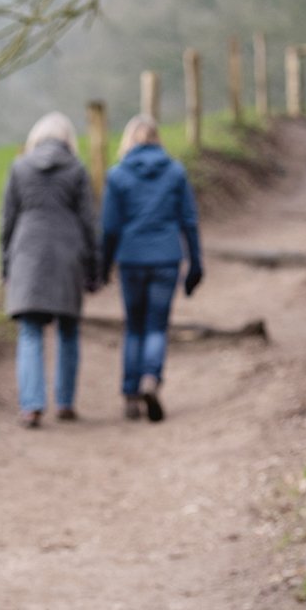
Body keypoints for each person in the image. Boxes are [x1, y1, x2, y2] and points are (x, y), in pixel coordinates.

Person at [100, 115, 203, 423]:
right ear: (158, 138)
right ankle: (151, 379)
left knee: (134, 326)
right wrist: (196, 263)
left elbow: (109, 228)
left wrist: (104, 266)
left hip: (131, 259)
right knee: (157, 325)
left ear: (129, 140)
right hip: (166, 258)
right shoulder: (175, 172)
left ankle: (131, 396)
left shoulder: (117, 175)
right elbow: (189, 221)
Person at [0, 112, 99, 428]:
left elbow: (7, 221)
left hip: (27, 254)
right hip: (67, 254)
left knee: (30, 332)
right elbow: (89, 221)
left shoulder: (19, 167)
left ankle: (31, 406)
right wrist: (94, 267)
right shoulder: (76, 168)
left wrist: (6, 265)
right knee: (68, 331)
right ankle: (66, 402)